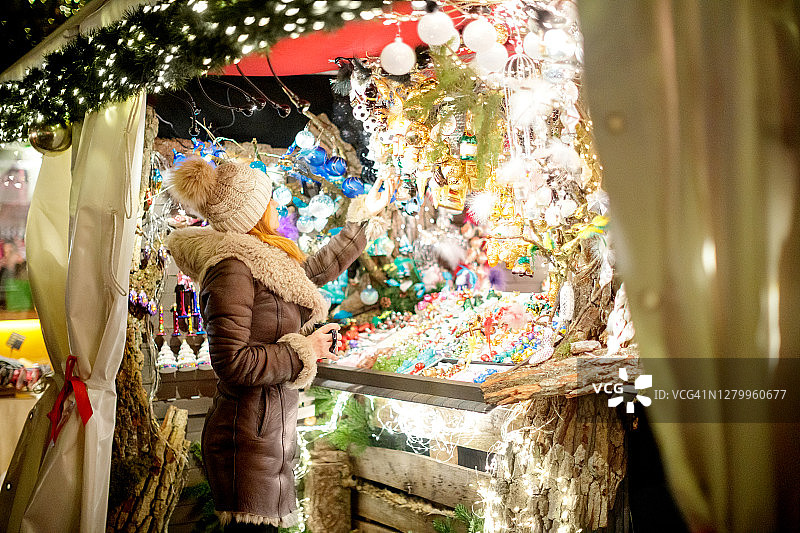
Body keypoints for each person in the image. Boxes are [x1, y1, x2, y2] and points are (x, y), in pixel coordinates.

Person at [165, 157, 393, 531]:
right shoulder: (232, 268)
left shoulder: (261, 259)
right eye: (269, 201)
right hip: (246, 444)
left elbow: (313, 272)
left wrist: (362, 219)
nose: (277, 207)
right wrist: (307, 350)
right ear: (251, 212)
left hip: (265, 436)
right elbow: (233, 362)